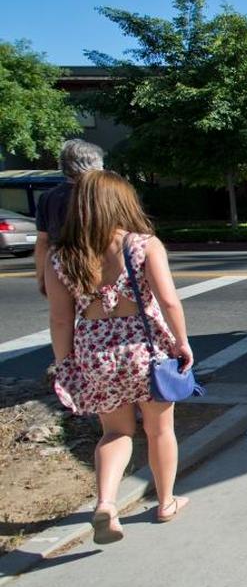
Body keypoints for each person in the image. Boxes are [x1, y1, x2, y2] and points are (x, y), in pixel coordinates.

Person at [44, 170, 193, 544]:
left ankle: (107, 503)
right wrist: (182, 341)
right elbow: (168, 300)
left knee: (115, 431)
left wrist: (66, 363)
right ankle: (165, 502)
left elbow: (61, 318)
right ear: (122, 203)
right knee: (159, 429)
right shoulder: (144, 245)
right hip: (145, 349)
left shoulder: (61, 256)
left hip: (95, 353)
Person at [35, 139, 105, 296]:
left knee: (63, 319)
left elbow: (43, 241)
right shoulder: (105, 194)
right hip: (102, 271)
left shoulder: (48, 198)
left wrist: (42, 277)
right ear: (95, 164)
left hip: (62, 271)